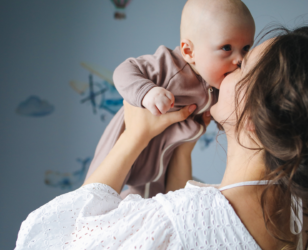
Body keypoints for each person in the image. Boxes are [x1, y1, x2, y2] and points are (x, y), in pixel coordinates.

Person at [15, 25, 308, 250]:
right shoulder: (296, 209)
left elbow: (55, 237)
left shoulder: (183, 222)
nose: (227, 69)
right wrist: (182, 144)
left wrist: (132, 138)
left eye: (243, 64)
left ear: (253, 119)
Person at [85, 0, 255, 198]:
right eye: (227, 47)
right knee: (96, 195)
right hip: (126, 139)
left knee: (151, 200)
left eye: (246, 48)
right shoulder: (170, 66)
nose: (240, 59)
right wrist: (148, 92)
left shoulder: (218, 84)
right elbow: (124, 70)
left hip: (163, 157)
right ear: (189, 52)